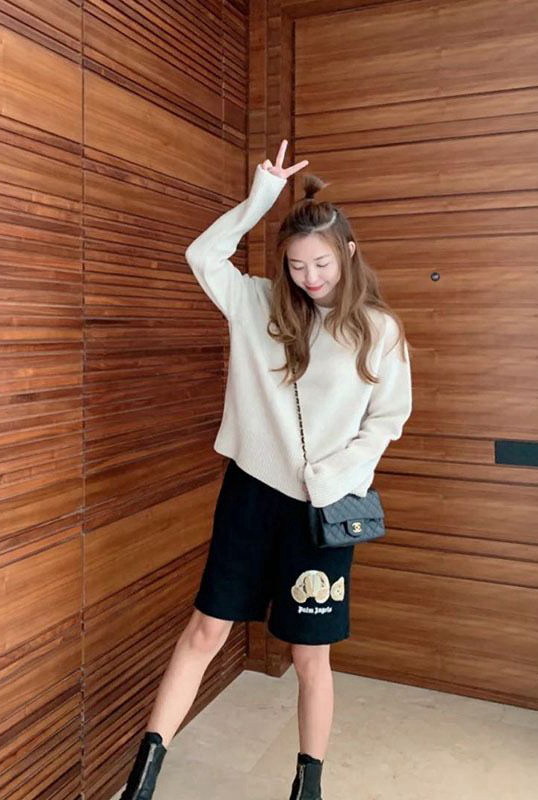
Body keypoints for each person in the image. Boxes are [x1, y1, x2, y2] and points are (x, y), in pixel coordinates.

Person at [118, 140, 413, 800]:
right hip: (250, 494)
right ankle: (142, 779)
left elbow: (387, 420)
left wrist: (335, 474)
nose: (310, 277)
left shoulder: (378, 330)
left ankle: (307, 787)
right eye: (297, 265)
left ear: (349, 253)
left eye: (321, 263)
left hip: (323, 509)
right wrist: (260, 199)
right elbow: (202, 256)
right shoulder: (256, 305)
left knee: (310, 655)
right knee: (206, 629)